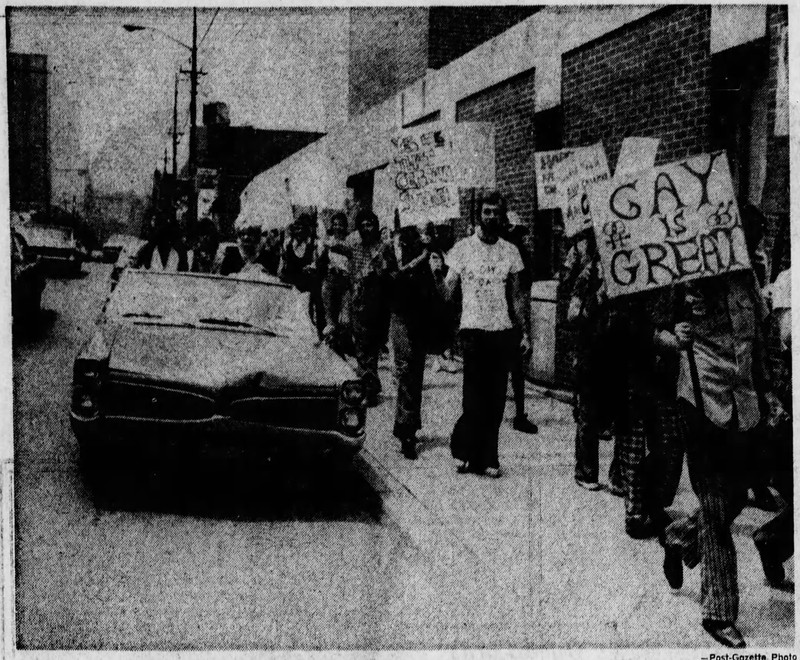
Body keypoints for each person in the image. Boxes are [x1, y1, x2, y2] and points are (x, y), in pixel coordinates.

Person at [660, 264, 784, 647]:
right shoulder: (682, 272)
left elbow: (759, 343)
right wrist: (670, 338)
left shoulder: (747, 279)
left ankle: (679, 537)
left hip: (744, 406)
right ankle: (719, 613)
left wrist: (769, 393)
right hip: (701, 403)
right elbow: (650, 330)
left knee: (736, 496)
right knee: (715, 504)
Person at [442, 191, 529, 478]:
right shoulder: (462, 248)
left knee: (495, 399)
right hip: (473, 331)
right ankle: (465, 453)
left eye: (496, 212)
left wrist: (524, 331)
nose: (491, 217)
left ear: (504, 216)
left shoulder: (511, 252)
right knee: (473, 398)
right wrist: (435, 274)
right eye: (487, 211)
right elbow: (448, 291)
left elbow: (516, 297)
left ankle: (489, 456)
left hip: (501, 331)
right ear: (479, 214)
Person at [752, 265, 792, 587]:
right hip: (782, 406)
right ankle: (773, 540)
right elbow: (787, 335)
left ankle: (774, 541)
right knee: (734, 488)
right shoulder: (790, 281)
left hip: (779, 403)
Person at [385, 225, 436, 460]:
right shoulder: (391, 255)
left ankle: (407, 424)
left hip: (422, 320)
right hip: (401, 318)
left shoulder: (428, 260)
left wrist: (428, 261)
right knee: (405, 372)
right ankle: (407, 431)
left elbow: (435, 291)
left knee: (416, 374)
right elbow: (390, 280)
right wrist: (414, 263)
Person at [344, 209, 392, 405]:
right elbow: (350, 274)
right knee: (363, 347)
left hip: (379, 302)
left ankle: (371, 383)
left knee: (372, 347)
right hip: (360, 301)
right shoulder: (355, 247)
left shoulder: (383, 247)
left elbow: (389, 272)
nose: (366, 228)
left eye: (369, 224)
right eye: (362, 225)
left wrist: (379, 268)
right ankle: (369, 387)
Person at [503, 211, 538, 434]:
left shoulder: (522, 255)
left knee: (518, 367)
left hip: (516, 313)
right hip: (500, 314)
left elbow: (522, 290)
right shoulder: (502, 253)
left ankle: (519, 414)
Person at [320, 212, 352, 352]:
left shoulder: (349, 241)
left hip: (345, 282)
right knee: (330, 322)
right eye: (335, 224)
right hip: (330, 280)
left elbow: (350, 253)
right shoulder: (327, 240)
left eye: (340, 224)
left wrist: (334, 247)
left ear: (345, 226)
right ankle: (333, 351)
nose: (338, 227)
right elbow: (320, 259)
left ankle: (342, 346)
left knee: (345, 320)